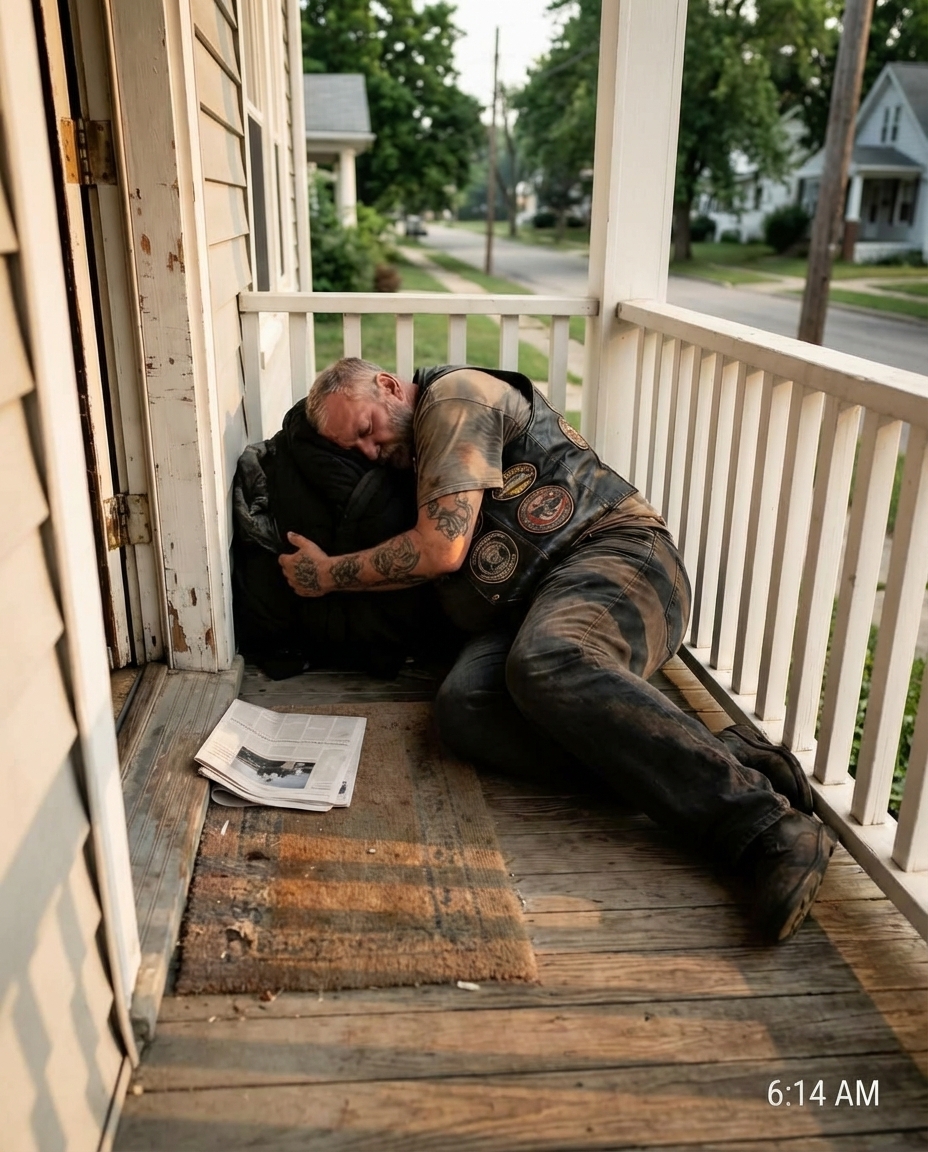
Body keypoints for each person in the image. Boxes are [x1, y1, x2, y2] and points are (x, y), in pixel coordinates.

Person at [279, 357, 837, 942]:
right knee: (465, 710)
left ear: (390, 387)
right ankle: (726, 757)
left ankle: (764, 825)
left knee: (548, 660)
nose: (369, 451)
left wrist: (328, 575)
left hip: (621, 561)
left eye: (366, 429)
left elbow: (439, 549)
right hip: (530, 606)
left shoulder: (455, 399)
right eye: (355, 448)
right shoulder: (417, 448)